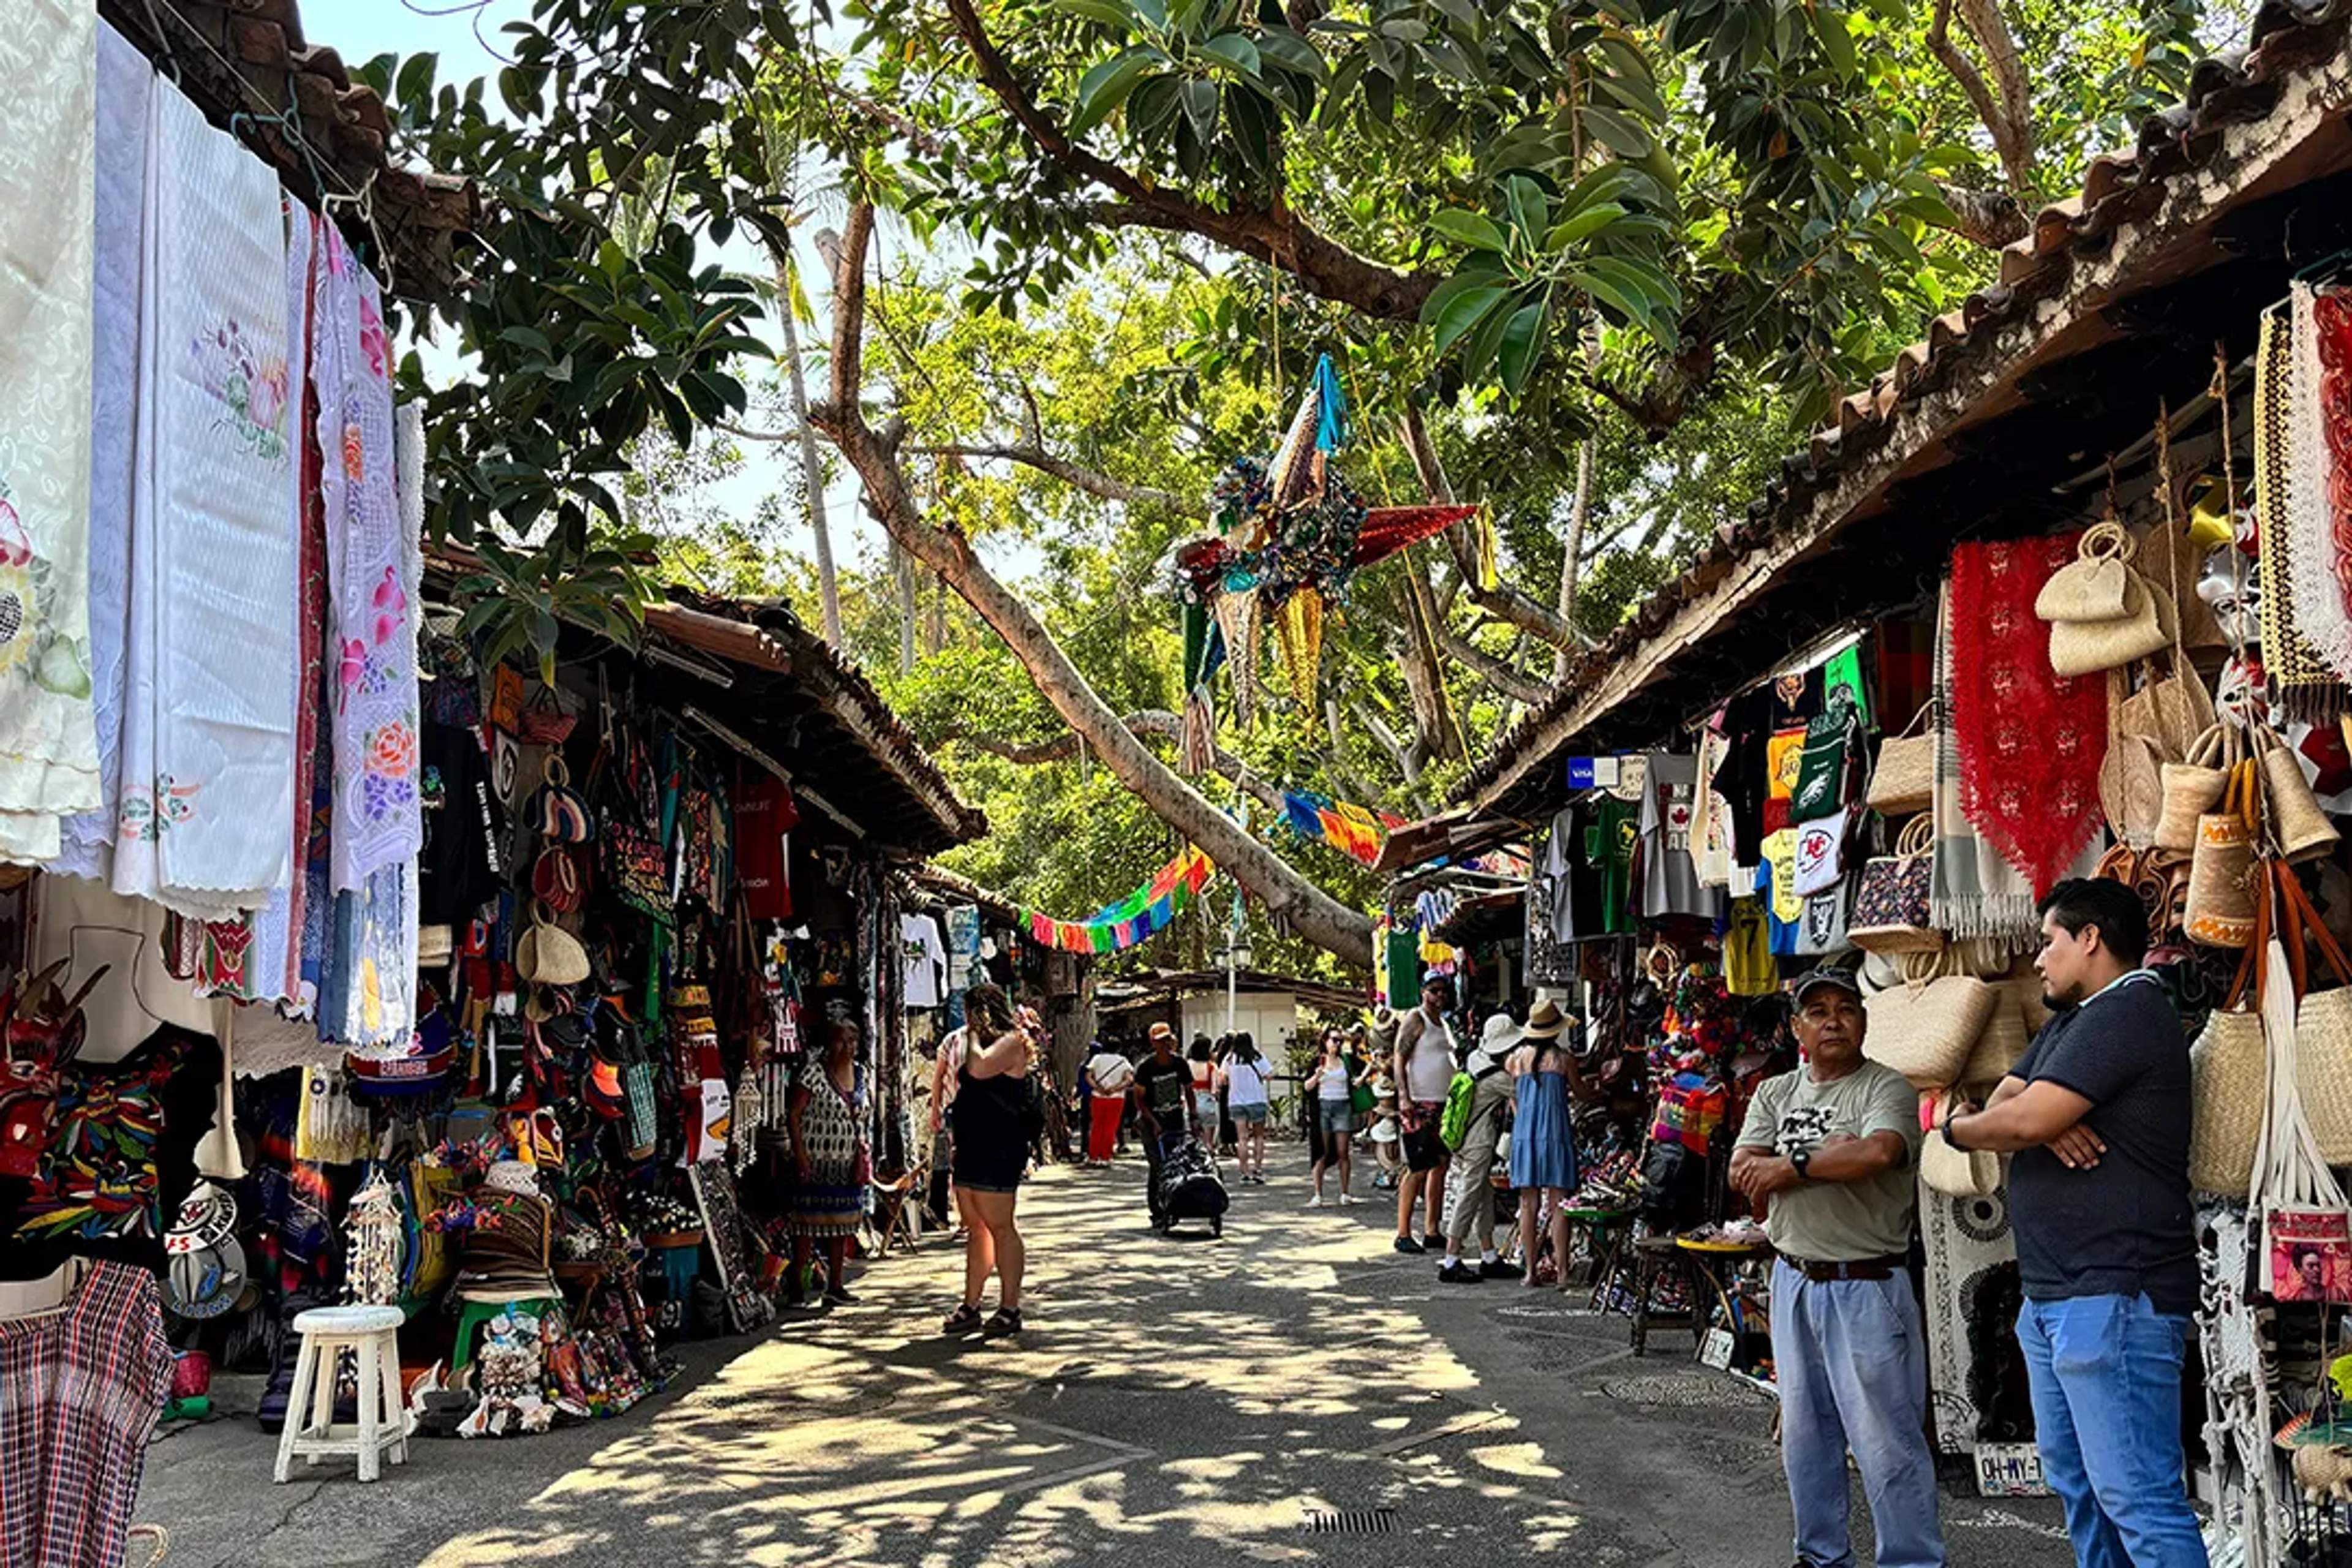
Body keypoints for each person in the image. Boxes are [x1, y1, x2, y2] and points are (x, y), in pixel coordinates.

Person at [1942, 879, 2205, 1568]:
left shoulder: (2128, 1010)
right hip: (2058, 1296)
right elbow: (2008, 1098)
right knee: (2083, 1490)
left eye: (2049, 941)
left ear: (2090, 939)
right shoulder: (2073, 1021)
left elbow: (2017, 1117)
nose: (2038, 960)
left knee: (2138, 1498)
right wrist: (2028, 1122)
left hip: (2114, 1292)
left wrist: (1975, 1126)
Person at [1732, 968, 1944, 1568]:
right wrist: (1802, 1162)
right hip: (1795, 1278)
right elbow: (1741, 1165)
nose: (1832, 1019)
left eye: (1845, 1008)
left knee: (1887, 1440)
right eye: (1817, 1010)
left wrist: (1790, 1167)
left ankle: (1913, 1560)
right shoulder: (1775, 1092)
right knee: (1805, 1435)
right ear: (1797, 1027)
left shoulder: (1887, 1088)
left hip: (1867, 1283)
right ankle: (1821, 1555)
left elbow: (1877, 1152)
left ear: (1864, 1022)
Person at [944, 984, 1033, 1337]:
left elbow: (979, 1069)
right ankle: (971, 1303)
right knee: (976, 1228)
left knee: (1001, 1226)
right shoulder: (976, 1043)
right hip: (971, 1143)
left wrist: (971, 1036)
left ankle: (1010, 1307)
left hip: (998, 1145)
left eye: (969, 1013)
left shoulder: (1011, 1041)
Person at [1437, 1011, 1525, 1284]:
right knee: (1469, 1196)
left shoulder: (1476, 1058)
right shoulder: (1498, 1076)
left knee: (1484, 1196)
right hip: (1478, 1142)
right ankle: (1451, 1258)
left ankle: (1489, 1255)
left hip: (1462, 1138)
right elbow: (1523, 1093)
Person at [788, 1019, 869, 1306]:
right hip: (815, 1163)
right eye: (841, 1041)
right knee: (806, 1227)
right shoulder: (813, 1073)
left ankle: (836, 1285)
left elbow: (862, 1116)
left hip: (847, 1166)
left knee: (841, 1227)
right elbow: (794, 1116)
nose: (848, 1048)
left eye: (852, 1041)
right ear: (829, 1043)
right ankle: (795, 1285)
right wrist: (801, 1157)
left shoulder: (861, 1074)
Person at [1506, 1000, 1583, 1289]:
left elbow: (1511, 1096)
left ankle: (1530, 1272)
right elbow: (1581, 1092)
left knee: (1528, 1204)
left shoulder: (1514, 1060)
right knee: (1559, 1203)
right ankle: (1562, 1272)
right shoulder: (1563, 1060)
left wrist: (1523, 1115)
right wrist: (1600, 1095)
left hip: (1525, 1134)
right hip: (1556, 1131)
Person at [1392, 976, 1460, 1254]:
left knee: (1440, 1166)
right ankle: (1403, 1232)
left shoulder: (1444, 1024)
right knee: (1417, 1167)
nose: (1439, 996)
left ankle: (1432, 1228)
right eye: (1433, 991)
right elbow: (1400, 1058)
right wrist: (1403, 1096)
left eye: (1443, 991)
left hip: (1443, 1103)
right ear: (1423, 992)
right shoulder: (1415, 1019)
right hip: (1419, 1103)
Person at [1133, 1023, 1199, 1228]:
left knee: (1177, 1162)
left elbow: (1188, 1090)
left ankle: (1176, 1201)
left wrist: (1194, 1116)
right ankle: (1157, 1210)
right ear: (1153, 1043)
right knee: (1158, 1166)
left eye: (1167, 1040)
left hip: (1174, 1120)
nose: (1165, 1045)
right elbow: (1139, 1100)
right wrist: (1153, 1122)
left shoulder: (1179, 1063)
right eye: (1160, 1041)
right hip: (1150, 1122)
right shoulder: (1146, 1067)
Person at [1307, 1028, 1360, 1207]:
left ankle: (1345, 1192)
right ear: (1325, 1041)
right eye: (1334, 1040)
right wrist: (1317, 1076)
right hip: (1323, 1106)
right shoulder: (1317, 1062)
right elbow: (1306, 1087)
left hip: (1343, 1106)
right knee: (1321, 1151)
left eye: (1340, 1041)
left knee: (1343, 1151)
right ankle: (1318, 1194)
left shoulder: (1346, 1060)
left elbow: (1369, 1067)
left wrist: (1362, 1079)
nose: (1337, 1044)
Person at [926, 1022, 968, 1235]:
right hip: (956, 1112)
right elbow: (938, 1077)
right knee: (958, 1164)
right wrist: (935, 1110)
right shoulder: (953, 1040)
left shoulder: (996, 1039)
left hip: (987, 1113)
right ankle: (964, 1217)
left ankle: (977, 1215)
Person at [1218, 1032, 1273, 1184]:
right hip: (1256, 1100)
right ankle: (1258, 1169)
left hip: (1236, 1102)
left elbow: (1222, 1079)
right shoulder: (1257, 1057)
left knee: (1242, 1138)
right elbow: (1269, 1075)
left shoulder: (1229, 1059)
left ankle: (1245, 1171)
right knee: (1259, 1137)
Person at [1081, 1038, 1135, 1166]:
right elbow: (1129, 1079)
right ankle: (1106, 1156)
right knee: (1111, 1127)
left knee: (1096, 1126)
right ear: (1119, 1048)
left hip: (1098, 1097)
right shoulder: (1123, 1061)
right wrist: (1115, 1088)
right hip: (1116, 1098)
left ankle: (1093, 1156)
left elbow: (1088, 1076)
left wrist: (1098, 1088)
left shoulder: (1097, 1059)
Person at [1188, 1035, 1219, 1140]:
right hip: (1207, 1101)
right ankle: (1209, 1151)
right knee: (1208, 1140)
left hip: (1190, 1102)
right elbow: (1215, 1089)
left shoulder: (1188, 1065)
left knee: (1192, 1139)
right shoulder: (1212, 1066)